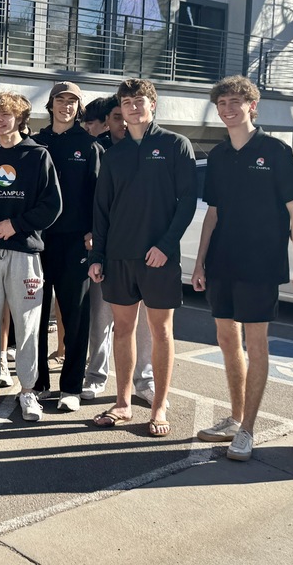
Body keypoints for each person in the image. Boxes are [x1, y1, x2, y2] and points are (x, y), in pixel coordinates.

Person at [190, 76, 293, 460]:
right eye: (222, 103)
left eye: (235, 102)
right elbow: (213, 213)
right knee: (227, 339)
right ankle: (235, 415)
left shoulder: (275, 151)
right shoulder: (220, 156)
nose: (227, 109)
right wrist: (198, 263)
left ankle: (247, 430)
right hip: (221, 263)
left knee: (256, 344)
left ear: (251, 106)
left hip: (261, 265)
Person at [89, 79, 195, 437]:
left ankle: (160, 404)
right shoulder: (113, 153)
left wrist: (166, 245)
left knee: (161, 331)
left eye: (139, 101)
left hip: (159, 259)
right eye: (127, 102)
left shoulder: (175, 145)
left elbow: (187, 202)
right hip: (119, 257)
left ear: (153, 105)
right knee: (122, 331)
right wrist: (98, 255)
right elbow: (101, 210)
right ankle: (122, 403)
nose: (133, 107)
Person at [0, 92, 62, 421]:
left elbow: (52, 206)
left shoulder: (38, 156)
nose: (0, 119)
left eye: (7, 114)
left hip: (24, 254)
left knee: (29, 325)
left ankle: (29, 391)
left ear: (21, 118)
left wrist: (16, 225)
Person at [32, 81, 102, 412]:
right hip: (37, 242)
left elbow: (99, 196)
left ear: (79, 107)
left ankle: (71, 386)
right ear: (51, 104)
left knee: (75, 317)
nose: (67, 106)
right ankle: (38, 384)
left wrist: (93, 232)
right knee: (34, 315)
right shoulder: (36, 143)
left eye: (73, 101)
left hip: (76, 242)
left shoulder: (89, 146)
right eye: (61, 99)